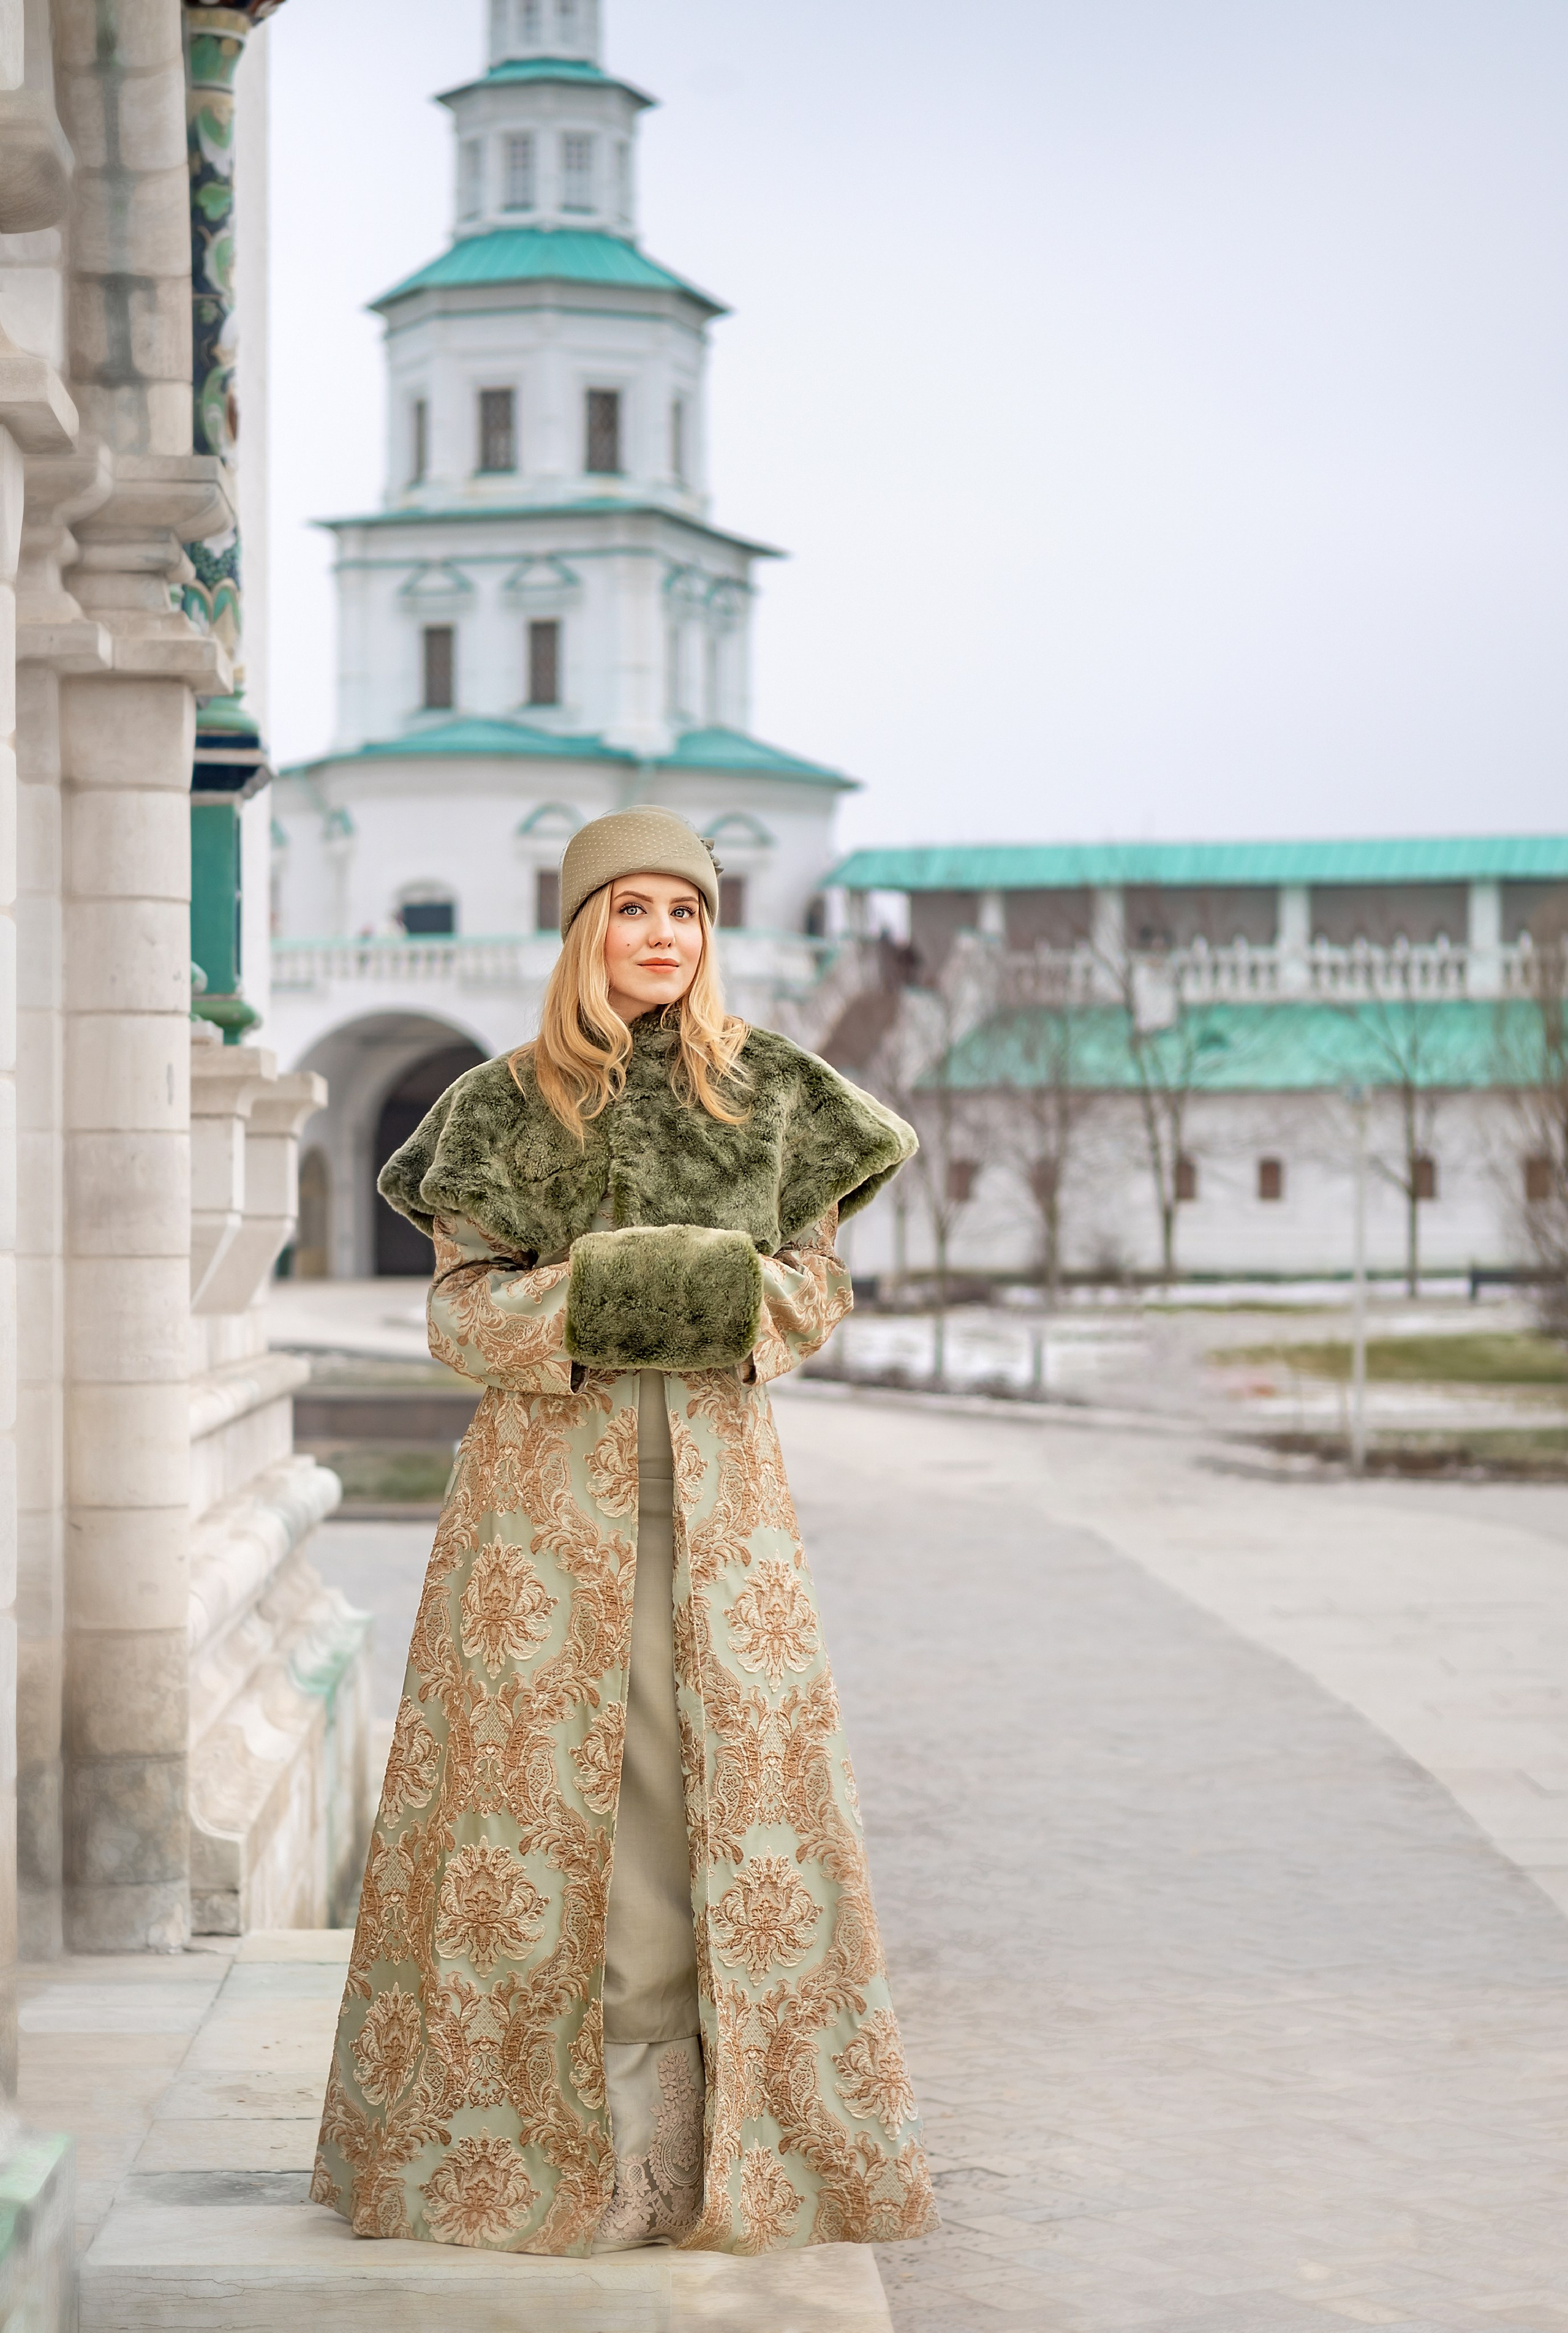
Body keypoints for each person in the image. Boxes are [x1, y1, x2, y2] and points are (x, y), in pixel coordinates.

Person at [312, 805, 938, 2258]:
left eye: (686, 911)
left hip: (725, 1527)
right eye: (629, 908)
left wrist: (714, 1291)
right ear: (580, 926)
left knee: (706, 1823)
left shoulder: (780, 1099)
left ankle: (700, 2156)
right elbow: (464, 1317)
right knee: (542, 1825)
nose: (661, 935)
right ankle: (538, 2154)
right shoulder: (496, 1107)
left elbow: (811, 1297)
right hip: (540, 1529)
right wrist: (611, 1293)